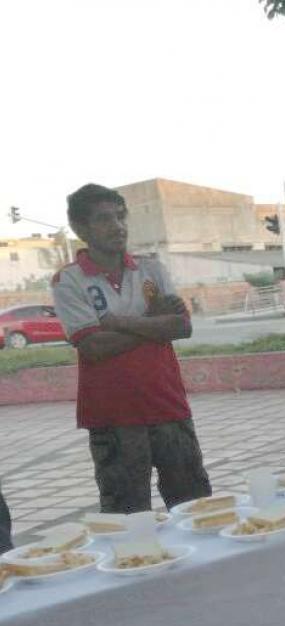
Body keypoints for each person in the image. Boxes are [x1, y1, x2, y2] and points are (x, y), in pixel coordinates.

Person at [52, 184, 211, 513]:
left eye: (120, 216)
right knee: (127, 518)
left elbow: (182, 326)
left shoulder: (151, 269)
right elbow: (93, 346)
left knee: (195, 509)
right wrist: (153, 322)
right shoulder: (69, 280)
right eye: (104, 219)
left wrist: (119, 322)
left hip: (168, 405)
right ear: (80, 229)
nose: (117, 225)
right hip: (113, 416)